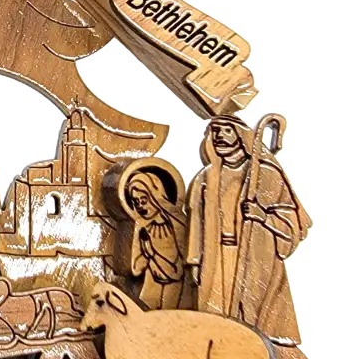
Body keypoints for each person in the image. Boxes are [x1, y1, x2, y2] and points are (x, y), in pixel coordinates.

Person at [186, 115, 310, 345]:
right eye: (216, 131)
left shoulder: (265, 174)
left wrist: (262, 216)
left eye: (227, 130)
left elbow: (295, 221)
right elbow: (196, 221)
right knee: (215, 315)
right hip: (216, 258)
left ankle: (257, 353)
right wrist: (195, 260)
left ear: (241, 135)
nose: (220, 136)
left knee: (253, 312)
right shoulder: (206, 178)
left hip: (255, 258)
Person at [124, 171, 187, 310]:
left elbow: (178, 270)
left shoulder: (177, 224)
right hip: (151, 282)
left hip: (174, 285)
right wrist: (145, 253)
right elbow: (136, 269)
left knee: (170, 317)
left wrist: (151, 251)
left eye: (143, 200)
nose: (140, 206)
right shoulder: (141, 226)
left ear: (155, 197)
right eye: (136, 202)